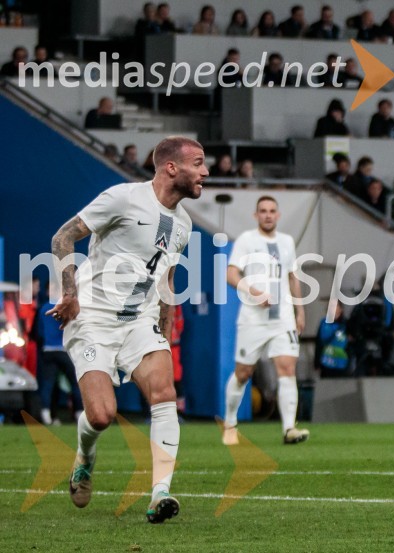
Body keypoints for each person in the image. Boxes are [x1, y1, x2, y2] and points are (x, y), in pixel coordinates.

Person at [48, 136, 206, 523]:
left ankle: (160, 494)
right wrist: (70, 294)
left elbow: (166, 275)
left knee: (164, 392)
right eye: (198, 163)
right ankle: (85, 455)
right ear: (172, 168)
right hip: (92, 320)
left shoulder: (183, 223)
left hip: (139, 322)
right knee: (102, 415)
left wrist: (166, 324)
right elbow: (63, 237)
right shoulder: (123, 198)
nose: (205, 172)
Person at [222, 196, 310, 446]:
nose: (268, 215)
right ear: (256, 215)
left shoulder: (287, 242)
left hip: (282, 318)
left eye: (272, 211)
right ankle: (230, 423)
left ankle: (289, 428)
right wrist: (253, 293)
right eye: (263, 211)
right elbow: (231, 273)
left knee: (287, 368)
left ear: (278, 215)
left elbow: (293, 277)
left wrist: (299, 311)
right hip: (253, 320)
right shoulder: (247, 241)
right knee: (243, 373)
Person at [36, 282, 84, 424]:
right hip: (63, 350)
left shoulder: (43, 308)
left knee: (48, 385)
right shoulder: (65, 307)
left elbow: (39, 332)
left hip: (47, 351)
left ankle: (46, 414)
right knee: (75, 383)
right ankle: (79, 413)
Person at [315, 301, 350, 378]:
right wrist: (316, 362)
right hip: (326, 362)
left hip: (342, 363)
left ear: (340, 309)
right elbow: (318, 342)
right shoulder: (323, 323)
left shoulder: (346, 324)